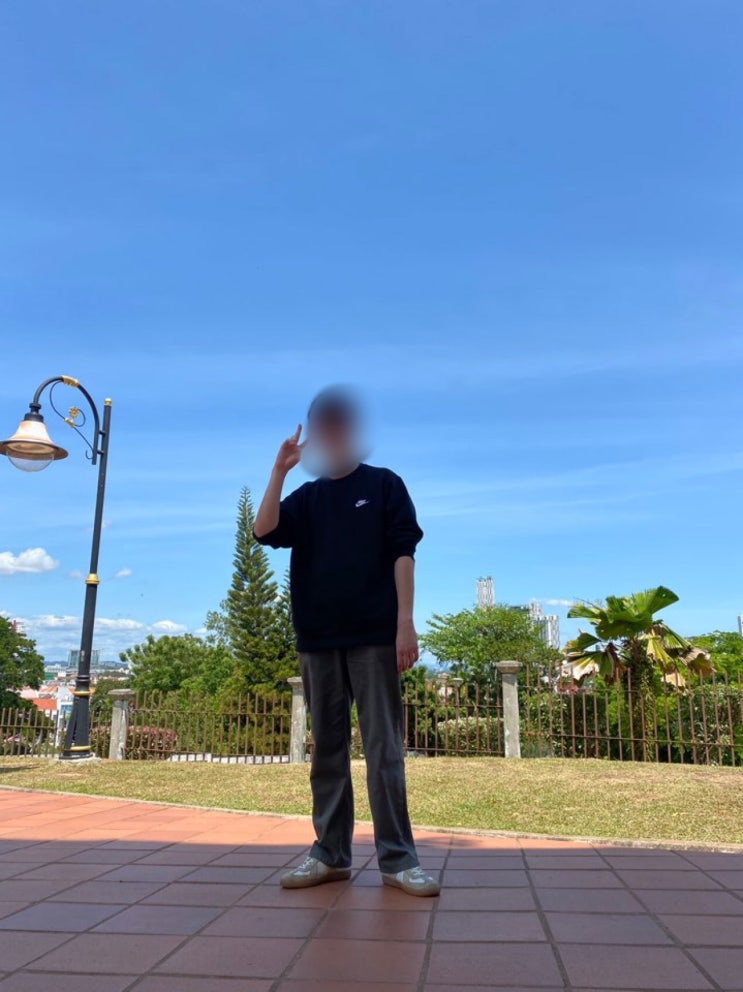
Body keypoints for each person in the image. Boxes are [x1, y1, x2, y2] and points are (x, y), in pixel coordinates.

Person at [253, 387, 440, 897]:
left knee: (384, 751)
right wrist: (279, 471)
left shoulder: (384, 485)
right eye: (324, 424)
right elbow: (263, 531)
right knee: (327, 754)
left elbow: (403, 554)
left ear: (352, 430)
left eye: (340, 423)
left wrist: (405, 624)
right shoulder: (308, 498)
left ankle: (399, 860)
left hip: (374, 638)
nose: (333, 432)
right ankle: (330, 855)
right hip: (317, 640)